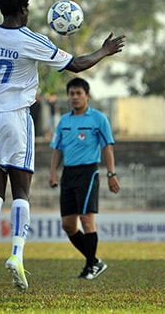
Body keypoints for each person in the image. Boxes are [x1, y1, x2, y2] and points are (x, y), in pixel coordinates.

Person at [0, 0, 125, 293]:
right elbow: (76, 65)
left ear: (2, 9)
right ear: (24, 10)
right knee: (22, 192)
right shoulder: (32, 40)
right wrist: (104, 52)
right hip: (15, 116)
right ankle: (16, 255)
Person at [48, 77, 120, 280]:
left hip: (88, 172)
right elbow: (57, 149)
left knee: (87, 219)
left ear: (87, 96)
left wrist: (111, 174)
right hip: (68, 173)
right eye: (71, 93)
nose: (74, 97)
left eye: (79, 93)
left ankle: (90, 266)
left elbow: (108, 147)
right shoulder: (64, 121)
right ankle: (95, 261)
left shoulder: (98, 119)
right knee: (68, 225)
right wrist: (53, 172)